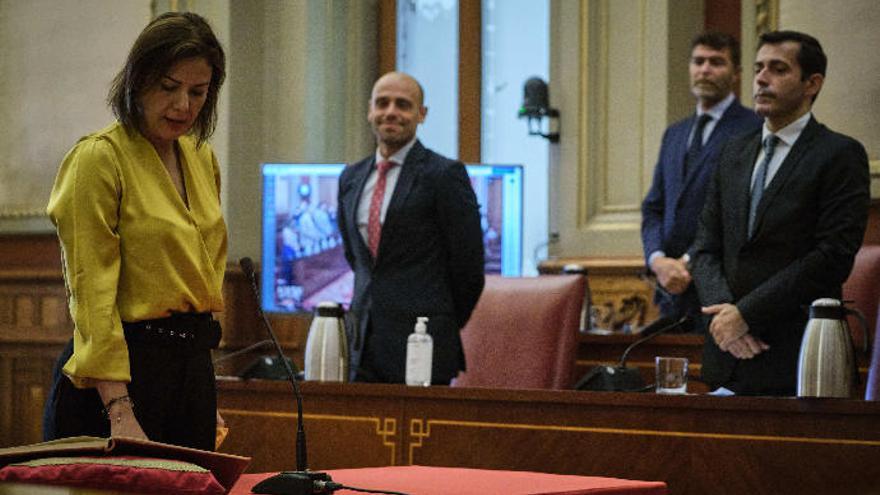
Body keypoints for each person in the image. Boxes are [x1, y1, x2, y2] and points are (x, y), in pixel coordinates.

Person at [44, 12, 228, 450]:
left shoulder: (200, 156)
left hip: (189, 369)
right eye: (169, 88)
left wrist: (201, 387)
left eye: (198, 92)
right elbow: (92, 296)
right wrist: (120, 410)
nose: (184, 106)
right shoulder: (97, 158)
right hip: (114, 383)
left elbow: (201, 277)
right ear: (136, 80)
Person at [692, 30, 870, 396]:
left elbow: (832, 256)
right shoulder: (732, 153)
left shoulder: (839, 154)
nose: (760, 78)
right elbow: (705, 248)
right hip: (727, 355)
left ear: (812, 83)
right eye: (758, 68)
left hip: (798, 358)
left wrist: (746, 315)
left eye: (778, 69)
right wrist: (728, 317)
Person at [337, 72, 485, 384]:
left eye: (403, 104)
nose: (391, 111)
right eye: (382, 103)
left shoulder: (445, 175)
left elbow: (469, 267)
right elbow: (358, 259)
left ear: (422, 114)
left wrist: (441, 321)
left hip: (423, 343)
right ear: (370, 111)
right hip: (362, 346)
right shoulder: (350, 177)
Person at [641, 32, 761, 332]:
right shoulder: (675, 133)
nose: (705, 69)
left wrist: (686, 262)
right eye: (698, 61)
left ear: (736, 74)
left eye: (716, 62)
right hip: (670, 294)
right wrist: (658, 261)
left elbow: (740, 213)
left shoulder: (754, 128)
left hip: (722, 291)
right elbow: (654, 207)